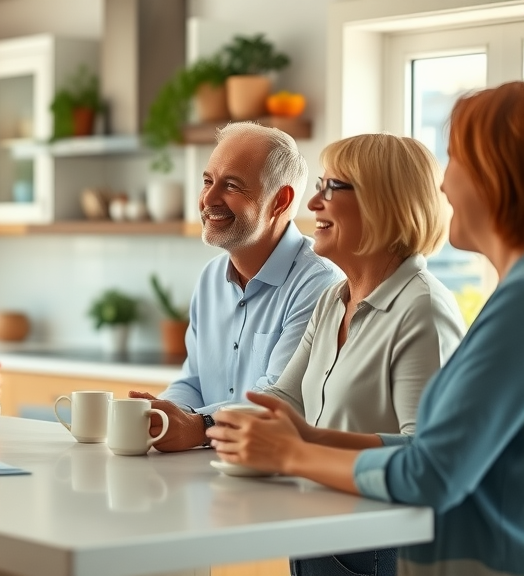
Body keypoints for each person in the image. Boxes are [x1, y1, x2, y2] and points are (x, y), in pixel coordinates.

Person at [209, 81, 524, 576]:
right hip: (326, 531)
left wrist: (295, 453)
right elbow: (428, 451)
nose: (443, 185)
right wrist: (272, 435)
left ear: (498, 174)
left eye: (457, 158)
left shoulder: (491, 307)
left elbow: (433, 471)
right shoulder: (335, 298)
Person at [263, 135, 465, 575]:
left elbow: (426, 456)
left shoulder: (422, 309)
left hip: (378, 546)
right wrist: (206, 427)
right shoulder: (335, 298)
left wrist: (298, 444)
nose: (313, 202)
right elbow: (287, 399)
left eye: (331, 186)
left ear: (382, 202)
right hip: (318, 523)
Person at [130, 122, 343, 450]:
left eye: (231, 185)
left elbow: (282, 400)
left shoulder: (320, 284)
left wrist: (200, 425)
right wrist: (163, 413)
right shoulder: (210, 278)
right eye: (207, 181)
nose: (208, 199)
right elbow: (194, 381)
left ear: (280, 201)